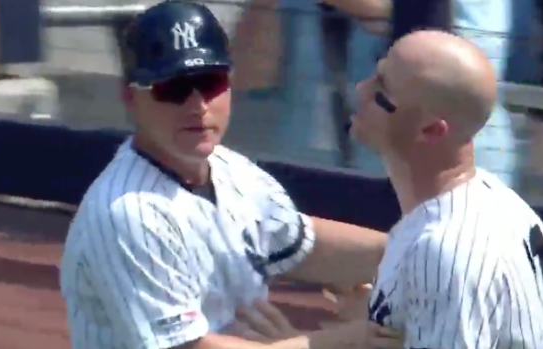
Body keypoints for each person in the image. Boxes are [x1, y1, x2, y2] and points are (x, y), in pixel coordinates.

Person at [59, 2, 398, 349]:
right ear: (131, 98)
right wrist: (343, 341)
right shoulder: (131, 214)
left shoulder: (231, 170)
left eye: (210, 82)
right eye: (173, 89)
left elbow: (304, 244)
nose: (198, 106)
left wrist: (417, 253)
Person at [351, 30, 543, 348]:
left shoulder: (445, 252)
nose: (361, 88)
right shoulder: (498, 201)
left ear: (431, 130)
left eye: (381, 91)